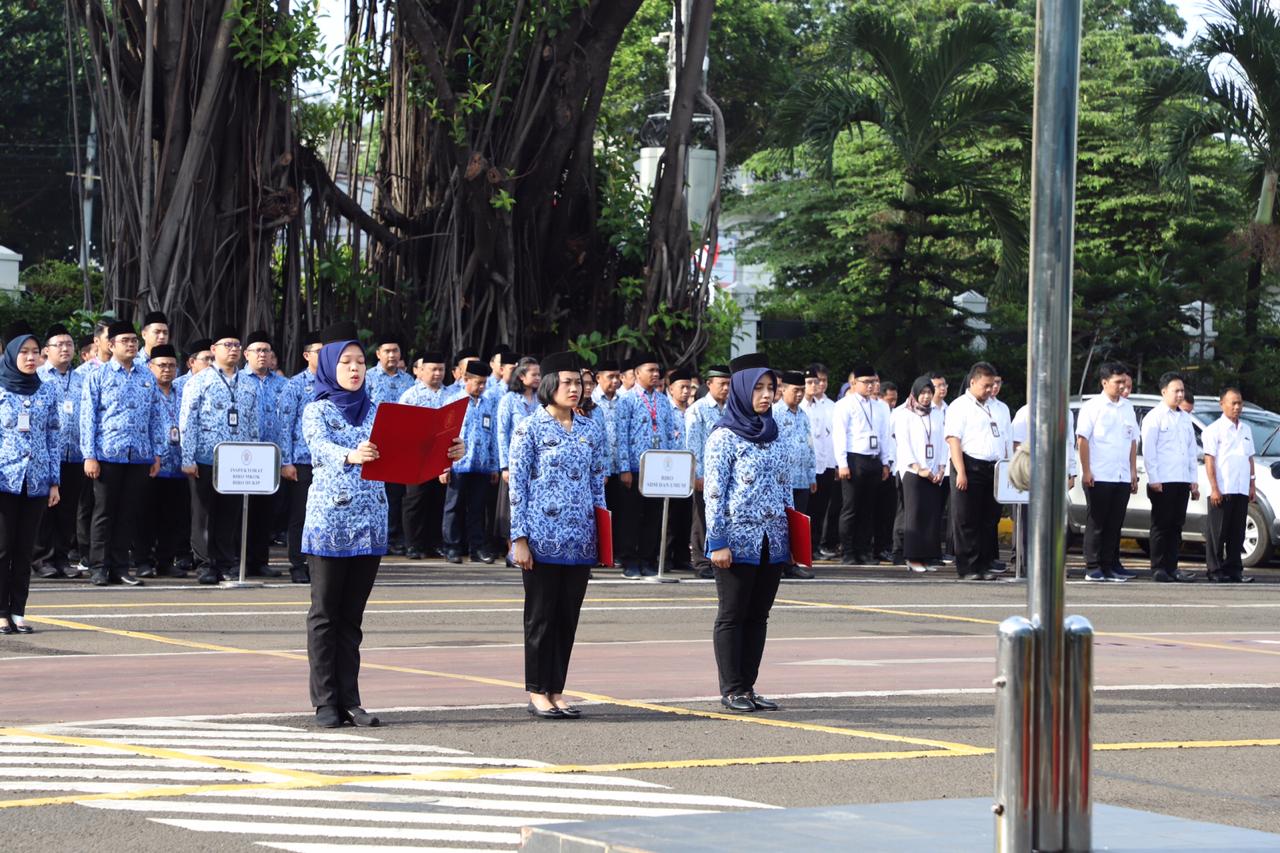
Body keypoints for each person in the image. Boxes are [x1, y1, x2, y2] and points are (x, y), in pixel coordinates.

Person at [301, 321, 465, 728]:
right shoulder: (316, 409)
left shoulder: (379, 411)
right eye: (345, 362)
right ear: (328, 367)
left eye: (359, 361)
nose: (354, 369)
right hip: (329, 521)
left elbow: (413, 452)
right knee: (325, 614)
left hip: (370, 522)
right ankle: (325, 701)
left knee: (352, 618)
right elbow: (318, 446)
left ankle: (351, 699)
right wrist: (350, 454)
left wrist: (449, 452)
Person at [508, 351, 606, 719]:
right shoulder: (529, 428)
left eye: (578, 382)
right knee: (540, 617)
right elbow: (516, 487)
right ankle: (537, 690)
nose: (574, 389)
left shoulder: (589, 429)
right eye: (566, 382)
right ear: (549, 385)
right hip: (540, 537)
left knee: (567, 617)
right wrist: (518, 538)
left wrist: (601, 534)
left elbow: (598, 484)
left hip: (579, 538)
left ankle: (557, 688)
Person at [704, 353, 789, 714]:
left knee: (759, 615)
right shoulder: (723, 437)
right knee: (733, 613)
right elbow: (714, 493)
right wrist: (717, 541)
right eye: (759, 388)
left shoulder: (774, 432)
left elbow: (786, 489)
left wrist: (794, 537)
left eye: (771, 388)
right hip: (737, 540)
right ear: (741, 391)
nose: (767, 395)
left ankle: (749, 687)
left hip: (774, 540)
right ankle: (732, 688)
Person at [80, 320, 165, 587]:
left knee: (128, 512)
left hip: (139, 454)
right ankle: (98, 566)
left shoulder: (146, 376)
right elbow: (87, 418)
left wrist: (157, 453)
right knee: (103, 512)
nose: (130, 345)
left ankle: (119, 566)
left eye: (133, 341)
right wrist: (89, 455)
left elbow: (156, 417)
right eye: (124, 341)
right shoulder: (99, 375)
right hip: (107, 454)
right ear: (111, 344)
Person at [180, 324, 260, 585]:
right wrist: (187, 458)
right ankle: (205, 564)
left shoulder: (248, 383)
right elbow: (187, 420)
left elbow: (254, 421)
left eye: (237, 345)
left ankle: (226, 562)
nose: (234, 350)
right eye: (228, 345)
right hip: (205, 458)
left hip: (237, 460)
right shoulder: (200, 380)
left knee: (230, 514)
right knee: (203, 514)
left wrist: (255, 454)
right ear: (214, 350)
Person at [0, 326, 62, 634]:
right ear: (12, 355)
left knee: (25, 549)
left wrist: (54, 481)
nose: (30, 357)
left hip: (36, 480)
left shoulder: (47, 389)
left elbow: (53, 436)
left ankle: (18, 610)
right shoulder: (0, 389)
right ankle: (0, 612)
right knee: (3, 547)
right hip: (4, 479)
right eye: (24, 352)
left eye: (35, 352)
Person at [1076, 362, 1139, 583]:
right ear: (1105, 382)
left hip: (1120, 475)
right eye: (1118, 382)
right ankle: (1093, 566)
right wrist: (1086, 471)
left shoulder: (1127, 407)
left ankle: (1110, 564)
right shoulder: (1092, 407)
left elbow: (1132, 441)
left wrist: (1132, 471)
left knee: (1115, 523)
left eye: (1124, 381)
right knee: (1097, 523)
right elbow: (1082, 440)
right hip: (1099, 474)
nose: (1122, 386)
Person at [618, 353, 680, 578]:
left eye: (657, 371)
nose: (655, 374)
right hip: (635, 467)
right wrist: (624, 468)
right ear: (636, 373)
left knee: (654, 516)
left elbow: (670, 434)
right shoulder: (626, 400)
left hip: (659, 467)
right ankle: (629, 560)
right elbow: (621, 434)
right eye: (650, 370)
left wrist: (674, 464)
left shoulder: (663, 400)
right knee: (632, 516)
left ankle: (647, 558)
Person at [943, 362, 1005, 581]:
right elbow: (953, 440)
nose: (990, 390)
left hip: (994, 467)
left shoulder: (1000, 408)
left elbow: (1004, 441)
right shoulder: (959, 406)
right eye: (986, 386)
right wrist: (960, 471)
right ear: (973, 382)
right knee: (967, 519)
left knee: (989, 520)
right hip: (969, 465)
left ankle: (985, 564)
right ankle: (969, 567)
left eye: (993, 385)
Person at [33, 324, 84, 579]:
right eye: (59, 345)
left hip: (74, 454)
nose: (65, 349)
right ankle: (42, 558)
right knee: (45, 509)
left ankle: (62, 558)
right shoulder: (38, 376)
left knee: (67, 509)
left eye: (69, 344)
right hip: (45, 455)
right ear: (46, 351)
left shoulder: (83, 378)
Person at [135, 344, 189, 578]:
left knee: (173, 517)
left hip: (177, 464)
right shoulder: (144, 390)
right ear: (150, 367)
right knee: (146, 516)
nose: (167, 370)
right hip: (152, 463)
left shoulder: (183, 392)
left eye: (171, 365)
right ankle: (143, 561)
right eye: (161, 365)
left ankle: (166, 560)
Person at [1141, 372, 1200, 583]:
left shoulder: (1185, 418)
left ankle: (1172, 567)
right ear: (1164, 391)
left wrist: (1193, 480)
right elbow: (1149, 451)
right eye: (1176, 391)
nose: (1180, 394)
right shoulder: (1154, 417)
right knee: (1161, 525)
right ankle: (1158, 567)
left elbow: (1191, 451)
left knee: (1176, 526)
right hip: (1163, 481)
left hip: (1182, 479)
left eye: (1182, 391)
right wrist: (1154, 478)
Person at [831, 363, 892, 564]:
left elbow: (884, 435)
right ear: (854, 383)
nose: (870, 386)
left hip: (873, 459)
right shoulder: (844, 405)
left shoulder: (881, 406)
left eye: (873, 382)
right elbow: (839, 435)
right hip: (853, 458)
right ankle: (847, 551)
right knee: (851, 508)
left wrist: (885, 462)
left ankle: (863, 550)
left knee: (868, 508)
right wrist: (842, 463)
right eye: (866, 382)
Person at [441, 359, 499, 564]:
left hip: (481, 464)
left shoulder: (488, 403)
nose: (482, 387)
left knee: (477, 508)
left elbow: (492, 435)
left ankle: (476, 548)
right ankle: (452, 547)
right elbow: (444, 436)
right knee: (453, 506)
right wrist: (443, 466)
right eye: (478, 383)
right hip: (458, 464)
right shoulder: (453, 401)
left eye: (484, 383)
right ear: (465, 379)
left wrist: (494, 465)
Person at [278, 332, 323, 583]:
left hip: (327, 460)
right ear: (307, 355)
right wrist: (286, 460)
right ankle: (297, 564)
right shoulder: (295, 384)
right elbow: (285, 424)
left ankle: (318, 563)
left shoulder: (336, 383)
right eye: (319, 351)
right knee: (300, 515)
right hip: (302, 460)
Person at [241, 331, 287, 578]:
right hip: (243, 455)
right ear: (246, 354)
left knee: (265, 511)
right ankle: (238, 561)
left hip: (271, 455)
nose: (262, 355)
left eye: (266, 351)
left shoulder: (283, 385)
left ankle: (260, 560)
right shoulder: (237, 381)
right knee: (240, 510)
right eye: (257, 350)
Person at [398, 350, 451, 560]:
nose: (437, 374)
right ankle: (412, 544)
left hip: (442, 456)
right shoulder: (411, 395)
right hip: (417, 456)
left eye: (441, 369)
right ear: (421, 371)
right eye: (433, 369)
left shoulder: (451, 394)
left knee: (438, 501)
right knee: (415, 501)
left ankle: (434, 543)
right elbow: (402, 426)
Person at [1202, 387, 1256, 583]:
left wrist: (1252, 484)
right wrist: (1214, 488)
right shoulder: (1213, 430)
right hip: (1222, 488)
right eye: (1232, 403)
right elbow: (1210, 460)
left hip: (1241, 488)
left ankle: (1234, 570)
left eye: (1239, 403)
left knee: (1237, 532)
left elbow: (1249, 458)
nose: (1237, 407)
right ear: (1222, 404)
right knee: (1218, 533)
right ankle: (1214, 570)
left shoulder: (1246, 429)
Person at [366, 334, 414, 556]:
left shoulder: (408, 380)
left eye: (395, 350)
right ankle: (374, 536)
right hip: (374, 445)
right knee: (373, 491)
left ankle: (393, 536)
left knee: (396, 495)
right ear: (378, 354)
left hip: (401, 446)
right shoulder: (368, 378)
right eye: (387, 351)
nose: (392, 355)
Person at [896, 375, 946, 573]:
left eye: (929, 393)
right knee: (915, 515)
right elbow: (904, 445)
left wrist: (941, 468)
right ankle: (913, 557)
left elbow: (943, 442)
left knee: (931, 514)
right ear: (915, 393)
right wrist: (919, 468)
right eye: (923, 393)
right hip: (913, 472)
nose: (926, 397)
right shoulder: (904, 414)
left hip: (934, 472)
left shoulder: (937, 414)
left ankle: (927, 556)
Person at [686, 364, 730, 580]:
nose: (725, 388)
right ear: (709, 384)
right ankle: (701, 562)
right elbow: (692, 444)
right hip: (706, 474)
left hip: (727, 475)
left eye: (728, 384)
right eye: (721, 383)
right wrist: (697, 474)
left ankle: (716, 557)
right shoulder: (698, 409)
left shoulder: (732, 408)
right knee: (702, 518)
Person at [772, 370, 817, 579]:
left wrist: (812, 475)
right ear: (783, 390)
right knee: (781, 522)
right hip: (781, 480)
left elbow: (809, 446)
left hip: (801, 478)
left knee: (798, 523)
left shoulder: (804, 415)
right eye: (795, 390)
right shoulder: (774, 414)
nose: (799, 394)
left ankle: (793, 563)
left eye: (802, 390)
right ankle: (779, 563)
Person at [496, 357, 541, 560]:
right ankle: (511, 548)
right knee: (510, 506)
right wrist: (505, 465)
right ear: (522, 377)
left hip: (537, 463)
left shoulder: (542, 400)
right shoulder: (509, 400)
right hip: (515, 462)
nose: (538, 378)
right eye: (534, 374)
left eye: (539, 374)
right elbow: (502, 433)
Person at [800, 364, 840, 560]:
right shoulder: (798, 408)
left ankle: (813, 547)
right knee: (804, 510)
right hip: (804, 468)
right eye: (809, 382)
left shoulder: (825, 406)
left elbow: (830, 437)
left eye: (816, 382)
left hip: (824, 464)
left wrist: (835, 464)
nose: (814, 385)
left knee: (819, 510)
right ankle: (801, 549)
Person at [590, 360, 627, 567]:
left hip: (619, 466)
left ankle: (615, 553)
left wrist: (624, 468)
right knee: (598, 511)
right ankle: (596, 551)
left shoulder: (625, 400)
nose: (615, 381)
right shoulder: (591, 402)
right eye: (610, 377)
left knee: (619, 512)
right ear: (598, 378)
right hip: (600, 469)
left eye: (617, 377)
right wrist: (601, 469)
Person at [664, 366, 697, 572]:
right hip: (671, 468)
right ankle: (665, 556)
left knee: (686, 515)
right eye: (682, 387)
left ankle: (682, 557)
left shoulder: (694, 410)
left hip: (690, 468)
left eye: (689, 387)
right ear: (671, 389)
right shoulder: (666, 409)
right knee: (670, 515)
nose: (686, 391)